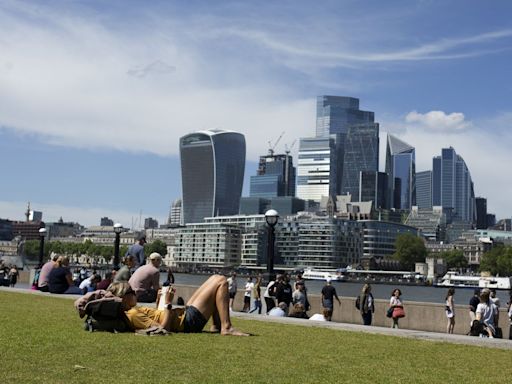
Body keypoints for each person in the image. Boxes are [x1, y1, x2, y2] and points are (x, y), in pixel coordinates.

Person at [111, 276, 248, 336]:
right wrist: (168, 303)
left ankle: (217, 326)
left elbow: (157, 317)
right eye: (131, 292)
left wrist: (159, 301)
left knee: (215, 278)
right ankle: (226, 327)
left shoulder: (132, 311)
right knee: (221, 281)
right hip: (187, 321)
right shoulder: (133, 314)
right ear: (124, 298)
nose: (134, 293)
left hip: (184, 315)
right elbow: (162, 329)